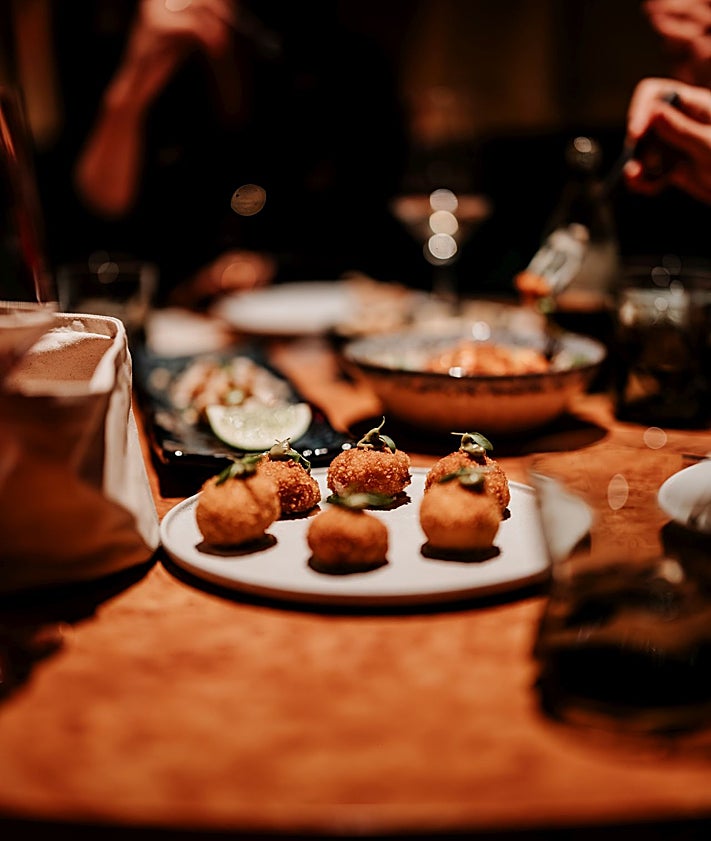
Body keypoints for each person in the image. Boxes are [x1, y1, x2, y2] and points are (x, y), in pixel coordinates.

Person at [31, 0, 426, 307]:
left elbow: (368, 230)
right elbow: (96, 216)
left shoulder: (344, 61)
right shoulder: (117, 39)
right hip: (167, 325)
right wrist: (136, 77)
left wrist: (270, 268)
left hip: (315, 320)